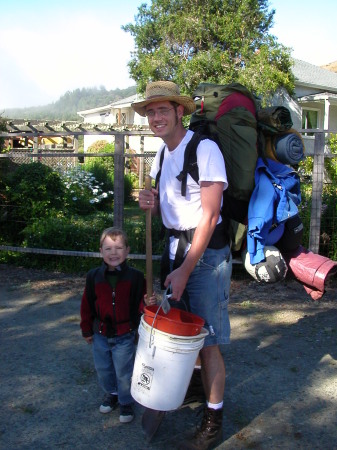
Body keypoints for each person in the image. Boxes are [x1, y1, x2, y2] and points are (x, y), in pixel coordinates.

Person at [132, 81, 232, 449]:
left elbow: (209, 216)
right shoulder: (162, 154)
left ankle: (214, 418)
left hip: (206, 260)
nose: (156, 117)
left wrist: (186, 269)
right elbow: (168, 209)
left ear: (179, 111)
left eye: (163, 110)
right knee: (178, 332)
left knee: (208, 342)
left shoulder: (205, 150)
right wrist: (150, 203)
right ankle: (189, 388)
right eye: (151, 112)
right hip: (174, 252)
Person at [80, 227, 156, 423]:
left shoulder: (136, 277)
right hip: (100, 333)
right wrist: (86, 329)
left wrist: (147, 302)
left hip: (125, 333)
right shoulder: (93, 277)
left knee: (123, 370)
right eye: (108, 248)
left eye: (119, 248)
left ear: (127, 250)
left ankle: (125, 401)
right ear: (100, 251)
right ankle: (111, 393)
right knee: (104, 368)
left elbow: (142, 302)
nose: (113, 253)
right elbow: (87, 304)